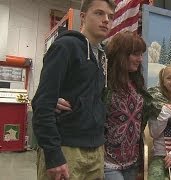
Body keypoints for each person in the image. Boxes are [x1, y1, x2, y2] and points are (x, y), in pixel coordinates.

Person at [32, 0, 115, 179]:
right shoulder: (66, 47)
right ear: (83, 17)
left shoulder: (103, 57)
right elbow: (42, 103)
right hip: (66, 148)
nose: (106, 20)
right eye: (99, 13)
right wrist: (53, 155)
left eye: (110, 16)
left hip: (96, 150)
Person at [103, 31, 154, 180]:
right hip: (108, 162)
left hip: (132, 161)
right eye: (135, 54)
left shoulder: (137, 84)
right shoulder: (104, 84)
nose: (140, 59)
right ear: (121, 55)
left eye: (141, 54)